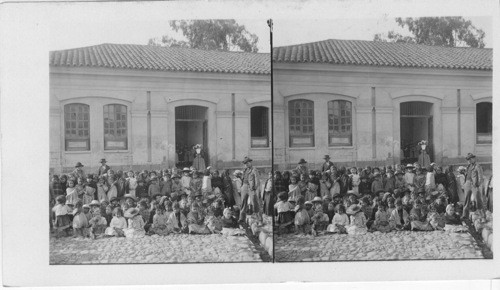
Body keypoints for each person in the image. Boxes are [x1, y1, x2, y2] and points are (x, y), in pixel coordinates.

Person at [238, 157, 261, 224]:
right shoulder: (245, 170)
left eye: (247, 163)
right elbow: (243, 179)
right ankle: (242, 218)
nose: (246, 164)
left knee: (255, 203)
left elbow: (257, 181)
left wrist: (255, 189)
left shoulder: (254, 170)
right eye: (245, 163)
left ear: (250, 163)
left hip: (251, 188)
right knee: (243, 203)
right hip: (244, 187)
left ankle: (259, 220)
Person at [461, 153, 484, 220]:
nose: (469, 160)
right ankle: (465, 215)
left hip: (474, 184)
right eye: (468, 159)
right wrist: (465, 184)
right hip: (467, 183)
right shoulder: (468, 166)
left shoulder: (477, 166)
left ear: (474, 159)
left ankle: (482, 216)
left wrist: (478, 184)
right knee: (466, 200)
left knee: (478, 199)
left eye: (470, 159)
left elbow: (480, 177)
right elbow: (467, 175)